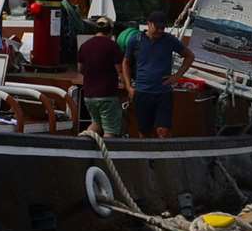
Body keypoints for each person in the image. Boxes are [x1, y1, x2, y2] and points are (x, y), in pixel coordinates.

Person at [121, 9, 195, 138]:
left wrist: (176, 76)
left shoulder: (170, 40)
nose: (161, 31)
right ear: (149, 24)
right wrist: (128, 87)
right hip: (142, 91)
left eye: (163, 28)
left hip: (163, 92)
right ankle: (146, 157)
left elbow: (189, 56)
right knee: (144, 131)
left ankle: (164, 156)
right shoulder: (135, 40)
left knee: (163, 130)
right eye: (158, 27)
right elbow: (126, 63)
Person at [77, 16, 125, 137]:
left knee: (96, 124)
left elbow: (80, 69)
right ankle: (107, 154)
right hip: (107, 95)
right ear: (110, 31)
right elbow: (120, 70)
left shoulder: (85, 45)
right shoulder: (113, 46)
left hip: (89, 96)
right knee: (110, 130)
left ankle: (82, 147)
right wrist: (126, 85)